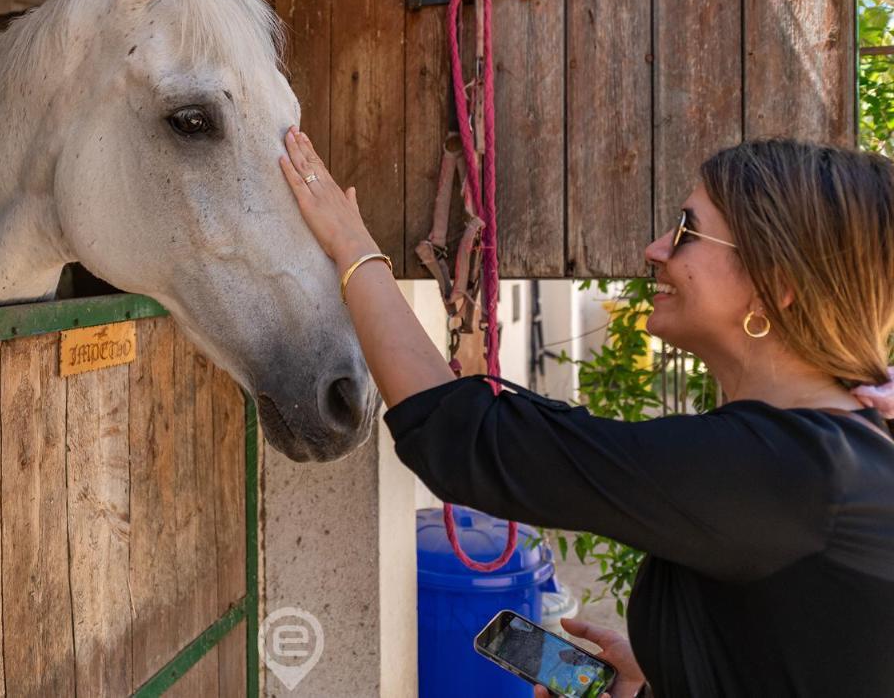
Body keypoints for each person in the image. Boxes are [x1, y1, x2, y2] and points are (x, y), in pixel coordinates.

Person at [278, 128, 894, 698]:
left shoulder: (793, 468)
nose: (655, 250)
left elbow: (462, 438)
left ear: (777, 282)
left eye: (686, 230)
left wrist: (352, 246)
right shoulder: (835, 452)